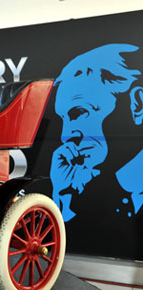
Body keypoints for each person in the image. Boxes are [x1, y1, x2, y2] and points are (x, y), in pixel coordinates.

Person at [50, 43, 143, 222]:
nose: (65, 135)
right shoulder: (91, 189)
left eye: (78, 112)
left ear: (138, 104)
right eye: (62, 119)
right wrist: (63, 197)